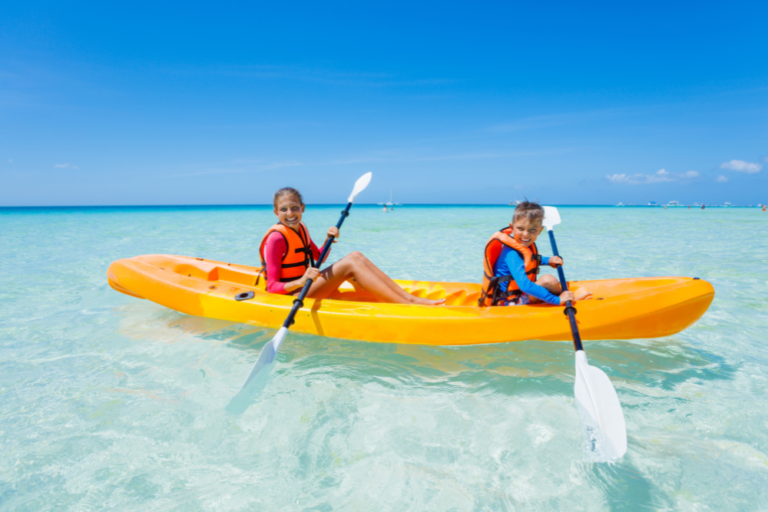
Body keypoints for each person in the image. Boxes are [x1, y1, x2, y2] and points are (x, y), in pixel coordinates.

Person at [258, 187, 443, 305]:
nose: (290, 213)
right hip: (291, 296)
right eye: (283, 209)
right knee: (350, 263)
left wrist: (328, 240)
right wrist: (300, 282)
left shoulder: (301, 228)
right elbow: (272, 287)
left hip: (306, 285)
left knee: (356, 256)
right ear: (276, 212)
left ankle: (409, 298)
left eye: (294, 207)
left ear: (302, 208)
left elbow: (318, 257)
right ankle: (407, 305)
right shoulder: (276, 238)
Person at [479, 201, 591, 307]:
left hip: (520, 295)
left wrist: (548, 260)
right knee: (548, 280)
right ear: (512, 227)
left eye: (532, 230)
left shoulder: (522, 246)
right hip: (509, 302)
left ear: (539, 231)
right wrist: (556, 300)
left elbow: (530, 259)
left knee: (550, 281)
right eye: (520, 228)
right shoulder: (512, 253)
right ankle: (563, 300)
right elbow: (524, 286)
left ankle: (567, 298)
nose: (525, 234)